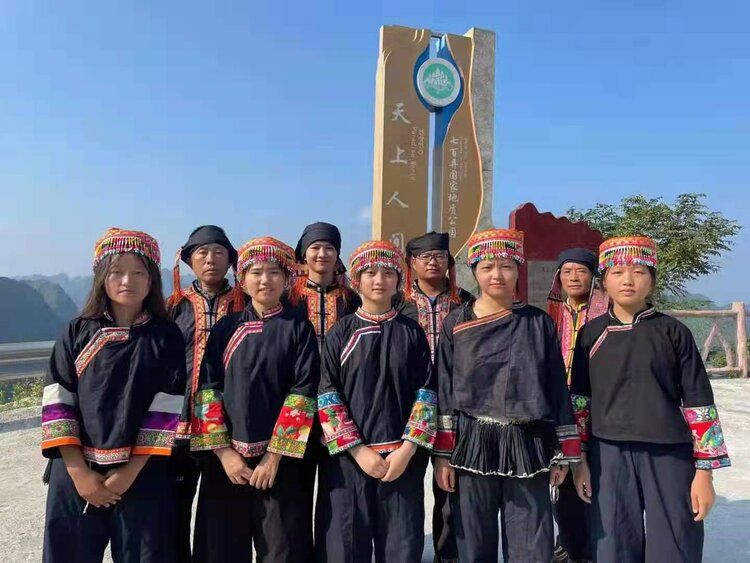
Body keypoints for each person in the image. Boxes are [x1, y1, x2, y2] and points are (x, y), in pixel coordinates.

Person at [571, 236, 731, 563]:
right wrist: (580, 461)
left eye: (639, 272)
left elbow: (699, 401)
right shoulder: (591, 334)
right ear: (603, 281)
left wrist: (705, 473)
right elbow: (580, 402)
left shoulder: (674, 333)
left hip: (669, 453)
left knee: (675, 542)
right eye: (617, 272)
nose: (628, 280)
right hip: (608, 453)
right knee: (612, 544)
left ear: (652, 279)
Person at [433, 228, 581, 562]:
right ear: (475, 271)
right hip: (472, 441)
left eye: (506, 266)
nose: (497, 275)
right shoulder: (456, 322)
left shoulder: (539, 323)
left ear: (518, 270)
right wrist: (443, 455)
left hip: (529, 440)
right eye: (487, 267)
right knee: (473, 541)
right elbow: (444, 389)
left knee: (532, 542)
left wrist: (562, 453)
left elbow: (556, 388)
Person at [41, 228, 187, 562]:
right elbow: (58, 400)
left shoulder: (167, 337)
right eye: (117, 272)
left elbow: (165, 409)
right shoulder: (76, 331)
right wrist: (80, 475)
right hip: (76, 470)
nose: (127, 281)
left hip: (142, 471)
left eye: (138, 273)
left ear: (152, 281)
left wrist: (127, 474)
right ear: (101, 277)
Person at [189, 236, 319, 563]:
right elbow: (207, 392)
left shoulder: (299, 328)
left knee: (281, 548)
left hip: (280, 464)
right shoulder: (225, 329)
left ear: (287, 279)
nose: (265, 280)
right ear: (242, 280)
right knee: (221, 548)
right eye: (256, 272)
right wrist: (224, 453)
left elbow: (302, 394)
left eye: (274, 272)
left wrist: (273, 458)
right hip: (226, 462)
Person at [316, 240, 436, 562]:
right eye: (370, 272)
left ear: (399, 280)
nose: (379, 280)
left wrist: (407, 450)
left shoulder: (412, 333)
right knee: (346, 546)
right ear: (356, 280)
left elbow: (426, 394)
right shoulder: (341, 332)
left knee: (401, 547)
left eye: (387, 272)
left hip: (402, 461)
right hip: (349, 461)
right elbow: (327, 395)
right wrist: (359, 451)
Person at [166, 225, 243, 561]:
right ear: (189, 260)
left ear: (230, 261)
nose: (211, 259)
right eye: (202, 253)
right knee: (172, 512)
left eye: (219, 253)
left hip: (226, 429)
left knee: (220, 518)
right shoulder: (173, 307)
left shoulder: (245, 305)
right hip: (178, 428)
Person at [395, 231, 472, 563]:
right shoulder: (397, 303)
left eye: (440, 256)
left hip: (454, 401)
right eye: (425, 257)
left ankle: (448, 553)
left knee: (451, 482)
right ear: (412, 263)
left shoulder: (465, 302)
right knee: (407, 481)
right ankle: (406, 551)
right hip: (407, 403)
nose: (433, 262)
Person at [546, 248, 608, 562]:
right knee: (563, 476)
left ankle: (592, 545)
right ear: (559, 277)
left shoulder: (606, 313)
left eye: (581, 271)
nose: (574, 277)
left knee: (595, 474)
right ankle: (568, 542)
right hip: (558, 406)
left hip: (600, 406)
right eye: (567, 271)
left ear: (593, 277)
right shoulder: (549, 314)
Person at [289, 221, 360, 349]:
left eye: (329, 248)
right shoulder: (289, 299)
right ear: (304, 254)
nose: (322, 254)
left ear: (337, 255)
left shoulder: (351, 299)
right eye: (315, 248)